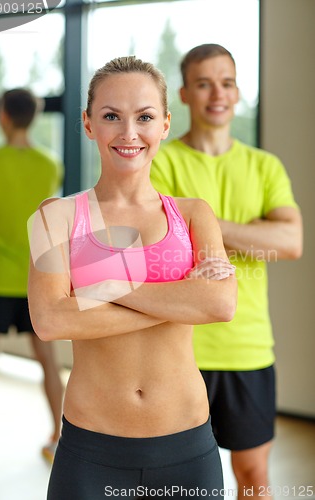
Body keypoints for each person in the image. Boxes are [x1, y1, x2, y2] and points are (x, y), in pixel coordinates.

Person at [27, 56, 237, 500]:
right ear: (87, 124)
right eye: (110, 117)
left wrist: (105, 288)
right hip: (90, 449)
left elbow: (220, 305)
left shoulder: (194, 214)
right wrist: (181, 301)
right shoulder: (56, 217)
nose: (128, 133)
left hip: (188, 447)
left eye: (144, 117)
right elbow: (50, 321)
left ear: (164, 124)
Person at [150, 44, 303, 499]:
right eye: (204, 83)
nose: (218, 93)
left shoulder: (264, 166)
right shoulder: (163, 161)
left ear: (237, 92)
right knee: (176, 483)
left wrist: (203, 222)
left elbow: (291, 243)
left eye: (227, 82)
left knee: (254, 477)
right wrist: (255, 232)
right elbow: (164, 248)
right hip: (178, 349)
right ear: (184, 93)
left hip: (248, 348)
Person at [0, 88, 64, 474]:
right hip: (37, 279)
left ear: (3, 116)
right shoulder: (51, 164)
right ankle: (58, 440)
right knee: (48, 362)